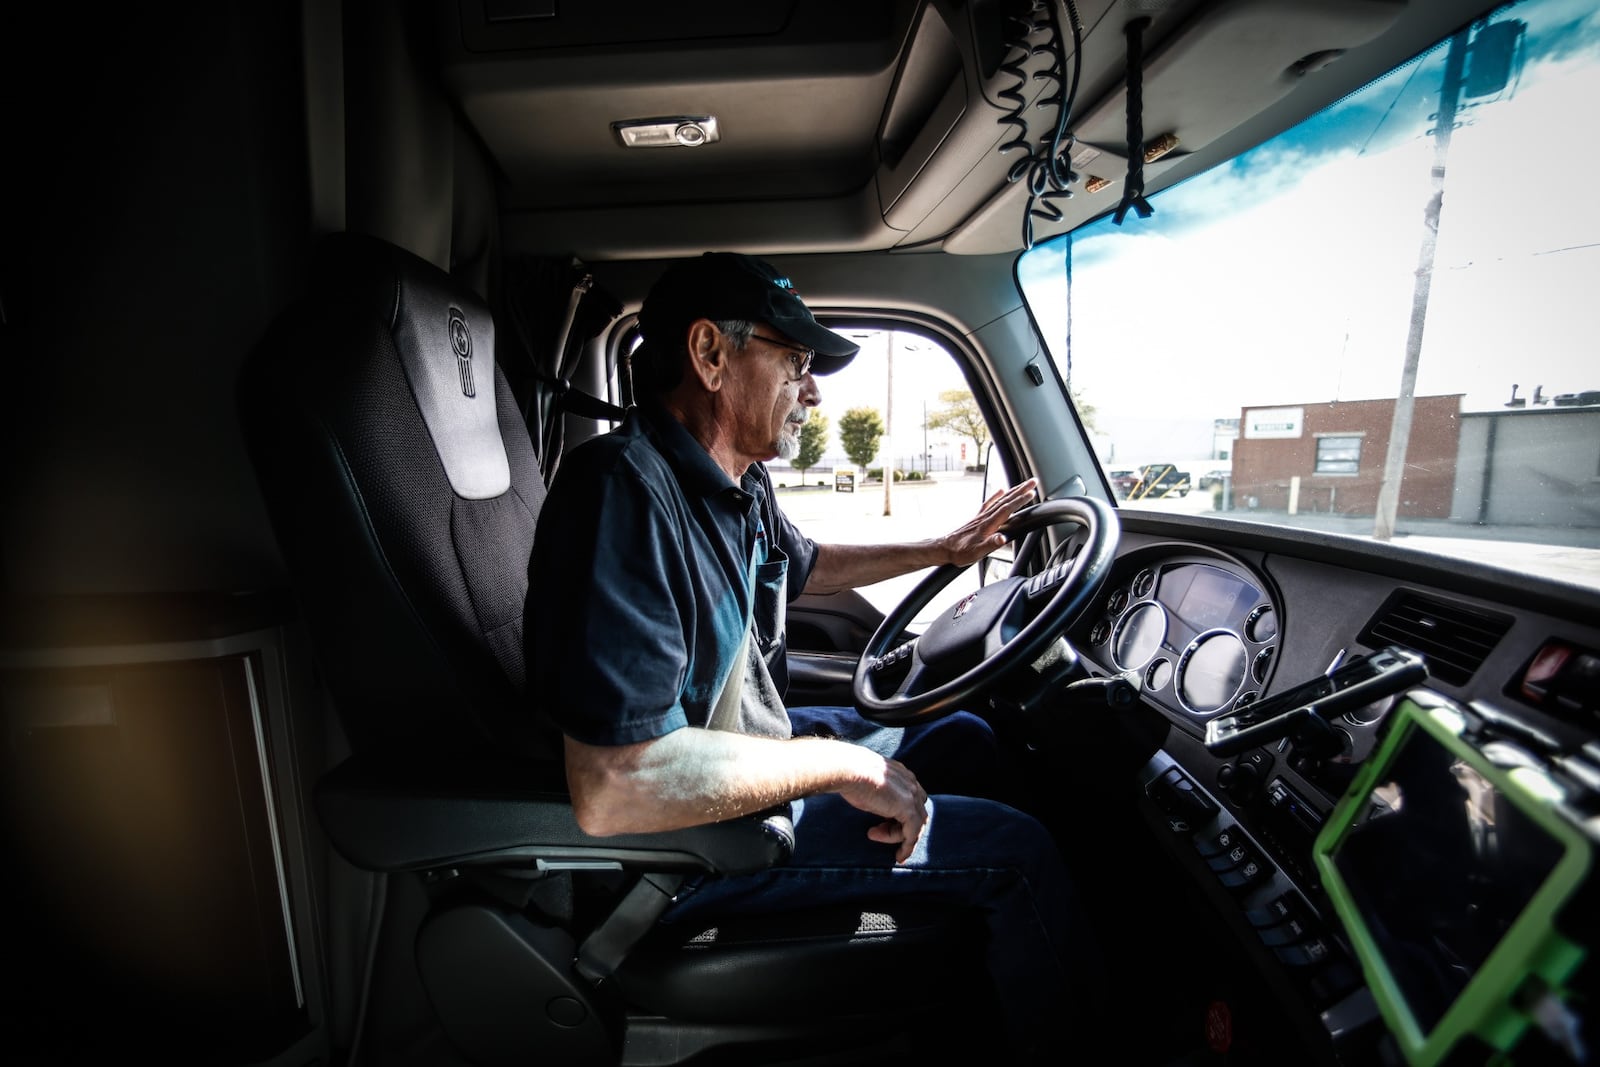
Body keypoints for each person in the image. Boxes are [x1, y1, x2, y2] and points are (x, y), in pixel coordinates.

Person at [526, 251, 1104, 1054]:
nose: (813, 388)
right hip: (689, 852)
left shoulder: (733, 481)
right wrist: (842, 769)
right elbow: (615, 787)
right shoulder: (622, 494)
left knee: (970, 740)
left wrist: (943, 549)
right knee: (1018, 851)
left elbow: (805, 566)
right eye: (795, 360)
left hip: (739, 764)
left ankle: (968, 986)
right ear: (710, 354)